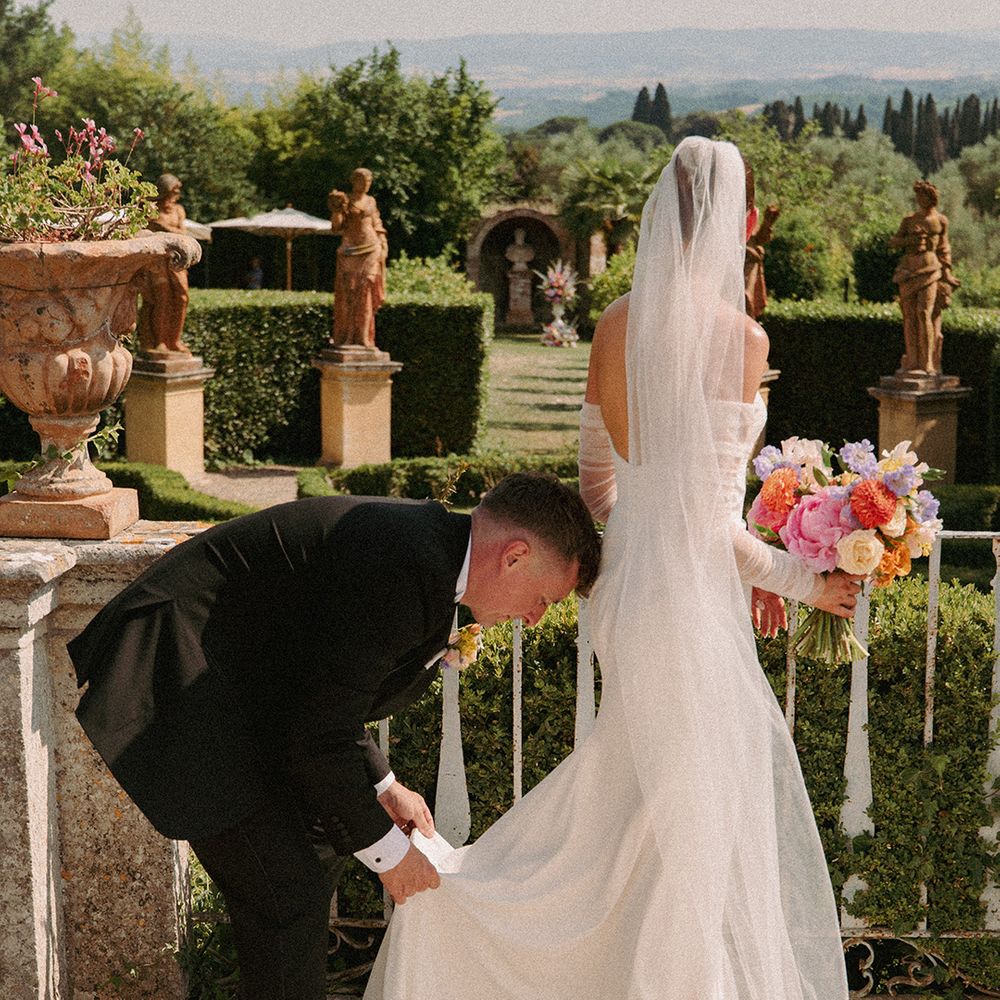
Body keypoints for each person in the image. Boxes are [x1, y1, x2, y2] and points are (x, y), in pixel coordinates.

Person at [364, 139, 855, 1000]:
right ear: (742, 225)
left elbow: (602, 485)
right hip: (690, 610)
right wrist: (808, 581)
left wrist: (647, 559)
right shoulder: (741, 336)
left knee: (642, 810)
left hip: (631, 601)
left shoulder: (619, 321)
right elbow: (706, 527)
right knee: (696, 825)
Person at [66, 475, 600, 1000]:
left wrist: (384, 783)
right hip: (178, 672)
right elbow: (318, 733)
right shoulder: (407, 567)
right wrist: (392, 857)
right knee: (287, 892)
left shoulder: (433, 559)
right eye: (545, 599)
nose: (534, 618)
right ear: (514, 555)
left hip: (248, 692)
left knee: (317, 849)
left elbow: (325, 695)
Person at [890, 179, 960, 376]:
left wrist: (947, 274)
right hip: (909, 270)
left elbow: (944, 248)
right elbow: (894, 241)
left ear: (932, 197)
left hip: (930, 269)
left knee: (924, 313)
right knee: (909, 315)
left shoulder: (941, 220)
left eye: (924, 196)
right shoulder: (909, 220)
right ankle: (912, 360)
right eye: (918, 196)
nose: (920, 199)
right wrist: (909, 240)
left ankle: (928, 361)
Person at [329, 167, 388, 349]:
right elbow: (336, 227)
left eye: (369, 182)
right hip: (349, 250)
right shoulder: (345, 200)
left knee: (366, 293)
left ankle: (364, 338)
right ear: (354, 181)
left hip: (371, 249)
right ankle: (347, 336)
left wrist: (383, 242)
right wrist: (336, 209)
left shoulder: (371, 201)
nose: (366, 185)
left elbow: (376, 223)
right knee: (349, 293)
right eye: (363, 181)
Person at [136, 173, 191, 353]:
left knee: (182, 298)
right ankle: (159, 341)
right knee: (161, 299)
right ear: (164, 192)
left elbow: (182, 234)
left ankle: (174, 340)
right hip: (157, 261)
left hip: (176, 260)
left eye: (176, 193)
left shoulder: (178, 211)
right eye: (172, 193)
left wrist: (162, 227)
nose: (175, 197)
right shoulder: (150, 209)